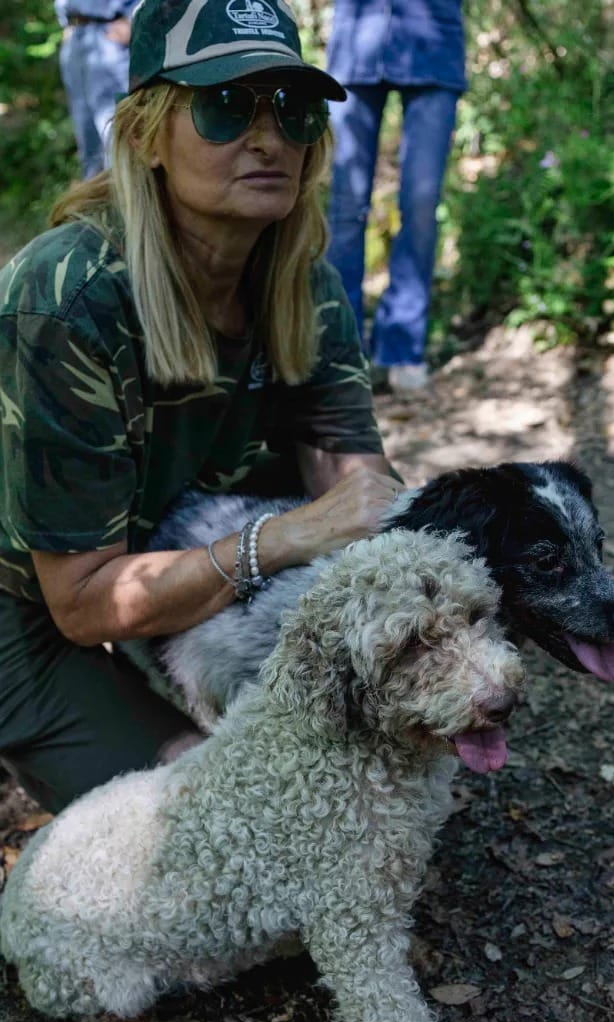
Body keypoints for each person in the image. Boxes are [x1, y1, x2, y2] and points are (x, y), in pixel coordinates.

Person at [0, 0, 401, 814]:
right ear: (148, 132)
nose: (269, 139)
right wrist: (283, 537)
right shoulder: (67, 297)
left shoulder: (303, 284)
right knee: (212, 824)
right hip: (30, 602)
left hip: (173, 569)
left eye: (294, 112)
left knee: (340, 793)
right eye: (225, 107)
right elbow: (81, 603)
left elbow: (359, 487)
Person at [325, 0, 466, 394]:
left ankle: (403, 348)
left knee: (421, 205)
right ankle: (342, 352)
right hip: (356, 45)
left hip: (434, 46)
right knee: (345, 207)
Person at [54, 0, 136, 178]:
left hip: (109, 35)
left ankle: (128, 200)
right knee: (87, 139)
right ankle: (98, 203)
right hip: (75, 34)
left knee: (116, 135)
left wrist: (135, 20)